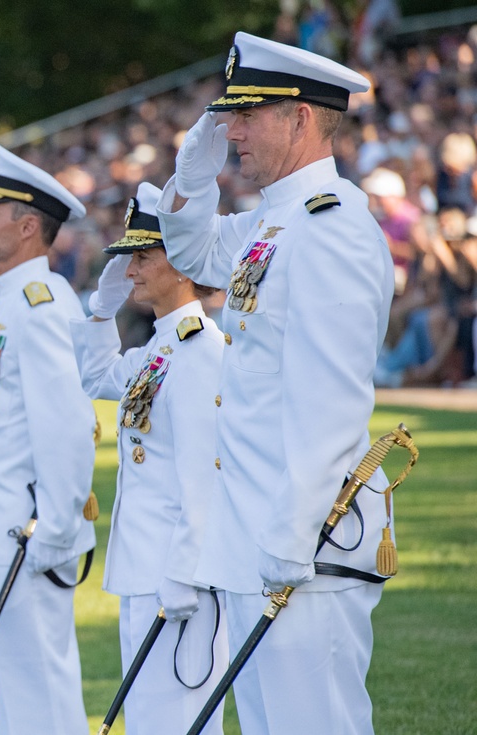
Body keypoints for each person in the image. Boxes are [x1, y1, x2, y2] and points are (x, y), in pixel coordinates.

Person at [156, 32, 395, 735]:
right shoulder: (275, 221)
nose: (231, 130)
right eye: (230, 115)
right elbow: (191, 251)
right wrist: (193, 173)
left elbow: (332, 400)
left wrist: (291, 537)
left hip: (306, 544)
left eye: (248, 114)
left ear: (298, 118)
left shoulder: (332, 226)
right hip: (260, 534)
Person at [0, 144, 96, 735]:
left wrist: (55, 534)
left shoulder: (37, 306)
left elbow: (65, 430)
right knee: (14, 695)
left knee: (40, 696)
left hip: (26, 532)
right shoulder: (5, 298)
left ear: (30, 226)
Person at [72, 182, 227, 734]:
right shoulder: (160, 347)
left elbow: (202, 472)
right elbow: (93, 376)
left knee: (175, 720)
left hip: (174, 571)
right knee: (147, 719)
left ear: (182, 262)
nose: (131, 270)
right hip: (144, 565)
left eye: (142, 256)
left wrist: (185, 570)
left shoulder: (198, 349)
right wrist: (100, 309)